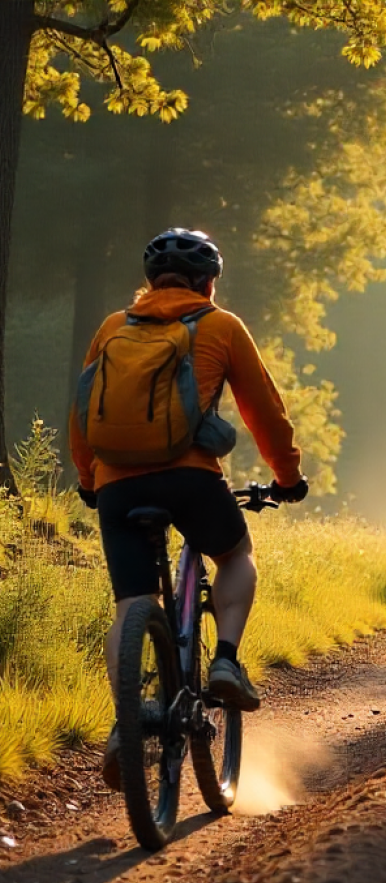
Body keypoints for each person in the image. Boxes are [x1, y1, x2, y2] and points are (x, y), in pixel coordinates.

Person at [69, 228, 308, 790]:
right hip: (192, 478)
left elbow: (83, 412)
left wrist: (89, 481)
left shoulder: (112, 327)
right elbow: (263, 411)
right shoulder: (221, 326)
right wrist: (288, 477)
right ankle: (224, 659)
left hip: (118, 486)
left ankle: (125, 726)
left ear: (151, 281)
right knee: (235, 553)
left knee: (131, 605)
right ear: (208, 282)